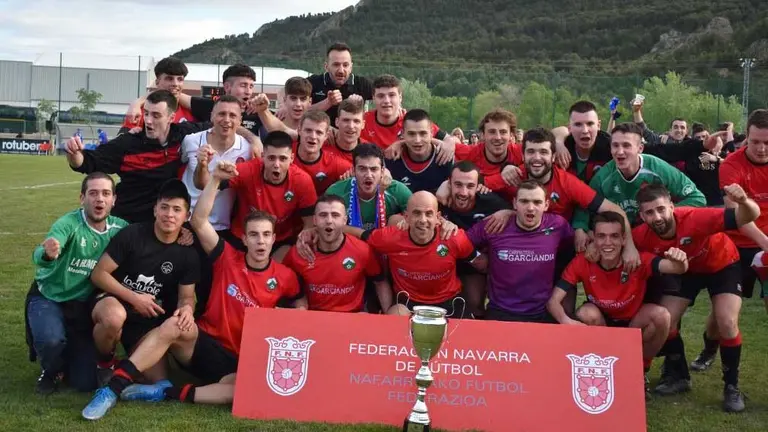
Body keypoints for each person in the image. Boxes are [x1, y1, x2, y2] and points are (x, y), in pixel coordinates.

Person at [81, 163, 301, 420]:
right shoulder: (226, 257)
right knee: (176, 323)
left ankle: (167, 393)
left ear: (275, 238)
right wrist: (216, 179)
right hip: (203, 344)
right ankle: (112, 387)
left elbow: (300, 306)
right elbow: (199, 220)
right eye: (254, 234)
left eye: (266, 235)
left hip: (239, 358)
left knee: (247, 388)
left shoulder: (285, 278)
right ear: (244, 238)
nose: (260, 241)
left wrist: (290, 319)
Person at [632, 184, 758, 412]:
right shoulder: (640, 236)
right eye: (649, 212)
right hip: (686, 272)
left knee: (726, 322)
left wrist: (744, 201)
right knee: (665, 320)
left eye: (661, 209)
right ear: (641, 216)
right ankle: (678, 375)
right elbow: (621, 247)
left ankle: (732, 387)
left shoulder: (695, 217)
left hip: (722, 264)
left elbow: (748, 216)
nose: (657, 217)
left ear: (672, 207)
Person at [548, 211, 688, 399]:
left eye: (614, 236)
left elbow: (676, 268)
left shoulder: (637, 260)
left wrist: (681, 260)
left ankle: (640, 373)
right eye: (601, 236)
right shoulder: (583, 261)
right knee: (585, 313)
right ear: (593, 239)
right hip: (602, 324)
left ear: (624, 240)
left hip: (633, 324)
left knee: (661, 316)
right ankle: (607, 372)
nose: (607, 243)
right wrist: (565, 321)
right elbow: (553, 300)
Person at [88, 180, 200, 387]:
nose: (169, 214)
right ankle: (105, 363)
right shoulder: (133, 234)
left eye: (177, 209)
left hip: (146, 322)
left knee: (159, 381)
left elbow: (186, 297)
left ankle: (128, 360)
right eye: (164, 207)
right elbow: (99, 274)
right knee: (113, 317)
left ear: (187, 216)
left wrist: (187, 309)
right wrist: (134, 298)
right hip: (114, 302)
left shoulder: (188, 255)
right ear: (155, 209)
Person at [26, 173, 128, 394]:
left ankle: (71, 352)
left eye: (105, 194)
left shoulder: (120, 229)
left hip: (82, 306)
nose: (99, 199)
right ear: (82, 198)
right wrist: (47, 252)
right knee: (51, 341)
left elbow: (148, 239)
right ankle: (51, 370)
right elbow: (41, 252)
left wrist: (181, 235)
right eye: (93, 193)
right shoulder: (69, 223)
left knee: (85, 383)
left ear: (114, 200)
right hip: (49, 297)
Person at [65, 90, 208, 223]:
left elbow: (217, 120)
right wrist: (74, 153)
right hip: (128, 221)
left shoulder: (183, 134)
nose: (148, 121)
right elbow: (87, 162)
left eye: (156, 115)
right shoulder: (128, 144)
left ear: (171, 118)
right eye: (146, 113)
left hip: (162, 223)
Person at [196, 131, 317, 261]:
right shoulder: (248, 170)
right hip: (243, 237)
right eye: (271, 158)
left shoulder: (302, 181)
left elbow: (310, 223)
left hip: (280, 241)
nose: (276, 164)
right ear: (263, 156)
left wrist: (303, 240)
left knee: (279, 269)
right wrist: (203, 166)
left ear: (291, 158)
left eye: (283, 158)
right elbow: (204, 184)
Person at [361, 191, 483, 317]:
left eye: (429, 214)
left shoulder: (453, 237)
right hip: (408, 302)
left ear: (438, 217)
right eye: (417, 213)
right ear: (406, 217)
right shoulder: (391, 237)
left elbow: (481, 264)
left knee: (468, 332)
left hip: (449, 301)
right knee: (394, 316)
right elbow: (360, 234)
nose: (423, 220)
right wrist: (340, 227)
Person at [467, 180, 573, 323]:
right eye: (524, 201)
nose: (530, 208)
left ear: (546, 205)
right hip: (501, 312)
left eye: (537, 202)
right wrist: (476, 257)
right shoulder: (496, 224)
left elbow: (573, 247)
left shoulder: (558, 226)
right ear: (514, 203)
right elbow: (462, 242)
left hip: (542, 312)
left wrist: (583, 234)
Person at [571, 122, 706, 232]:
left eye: (626, 145)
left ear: (640, 148)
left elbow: (697, 198)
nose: (620, 152)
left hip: (655, 234)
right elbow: (584, 205)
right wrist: (580, 230)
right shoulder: (604, 176)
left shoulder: (657, 168)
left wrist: (661, 215)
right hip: (620, 238)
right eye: (615, 145)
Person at [553, 101, 719, 184]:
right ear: (570, 127)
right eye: (578, 124)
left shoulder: (611, 145)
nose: (584, 130)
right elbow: (545, 136)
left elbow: (662, 151)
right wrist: (558, 142)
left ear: (599, 125)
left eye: (589, 124)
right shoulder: (562, 145)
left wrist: (701, 145)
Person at [283, 195, 392, 312]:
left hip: (352, 316)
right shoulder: (299, 252)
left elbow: (380, 282)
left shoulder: (362, 250)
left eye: (335, 215)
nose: (329, 221)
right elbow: (284, 285)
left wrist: (388, 316)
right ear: (314, 220)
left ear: (344, 220)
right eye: (323, 215)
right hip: (314, 317)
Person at [437, 161, 513, 318]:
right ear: (449, 183)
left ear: (478, 186)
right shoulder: (437, 200)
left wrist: (508, 212)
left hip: (475, 263)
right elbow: (413, 210)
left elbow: (518, 214)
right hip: (441, 261)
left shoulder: (490, 202)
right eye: (458, 184)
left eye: (470, 186)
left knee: (474, 303)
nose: (463, 192)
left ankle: (477, 337)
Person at [718, 109, 768, 301]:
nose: (761, 148)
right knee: (725, 315)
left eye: (767, 143)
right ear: (746, 136)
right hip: (738, 243)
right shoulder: (731, 165)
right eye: (755, 142)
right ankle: (712, 333)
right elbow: (736, 213)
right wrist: (764, 242)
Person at [361, 74, 456, 162]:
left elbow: (449, 139)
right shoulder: (362, 121)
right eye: (381, 96)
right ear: (373, 98)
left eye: (391, 95)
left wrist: (402, 143)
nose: (386, 101)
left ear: (400, 97)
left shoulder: (411, 121)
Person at [325, 143, 412, 235]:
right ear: (354, 170)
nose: (368, 175)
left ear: (382, 171)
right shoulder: (336, 192)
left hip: (387, 242)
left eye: (374, 169)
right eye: (362, 169)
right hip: (350, 243)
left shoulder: (395, 189)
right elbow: (325, 225)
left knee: (397, 220)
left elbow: (419, 215)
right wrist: (364, 235)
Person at [452, 109, 522, 201]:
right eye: (492, 132)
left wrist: (485, 182)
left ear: (511, 135)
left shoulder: (521, 152)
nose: (498, 137)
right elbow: (434, 136)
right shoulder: (471, 152)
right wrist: (447, 184)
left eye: (503, 132)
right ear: (482, 135)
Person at [385, 109, 453, 193]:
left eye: (423, 133)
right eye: (411, 134)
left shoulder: (446, 158)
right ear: (402, 134)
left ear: (431, 133)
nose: (417, 140)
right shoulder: (392, 159)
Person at [122, 57, 196, 131]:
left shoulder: (193, 112)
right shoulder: (139, 113)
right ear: (157, 82)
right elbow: (121, 141)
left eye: (180, 79)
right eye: (169, 78)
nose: (175, 84)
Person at [307, 43, 373, 125]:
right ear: (326, 66)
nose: (341, 70)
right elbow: (295, 111)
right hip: (318, 135)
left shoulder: (362, 84)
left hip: (351, 135)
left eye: (345, 65)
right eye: (336, 65)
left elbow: (387, 102)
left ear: (351, 67)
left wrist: (358, 108)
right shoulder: (312, 83)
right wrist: (327, 102)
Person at [292, 110, 352, 195]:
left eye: (319, 132)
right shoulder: (285, 153)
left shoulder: (335, 163)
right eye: (308, 130)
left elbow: (360, 174)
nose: (313, 136)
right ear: (299, 130)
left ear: (326, 136)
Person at [326, 99, 366, 163]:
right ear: (337, 122)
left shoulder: (370, 152)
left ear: (363, 124)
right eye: (346, 120)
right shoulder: (320, 145)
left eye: (356, 121)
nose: (351, 126)